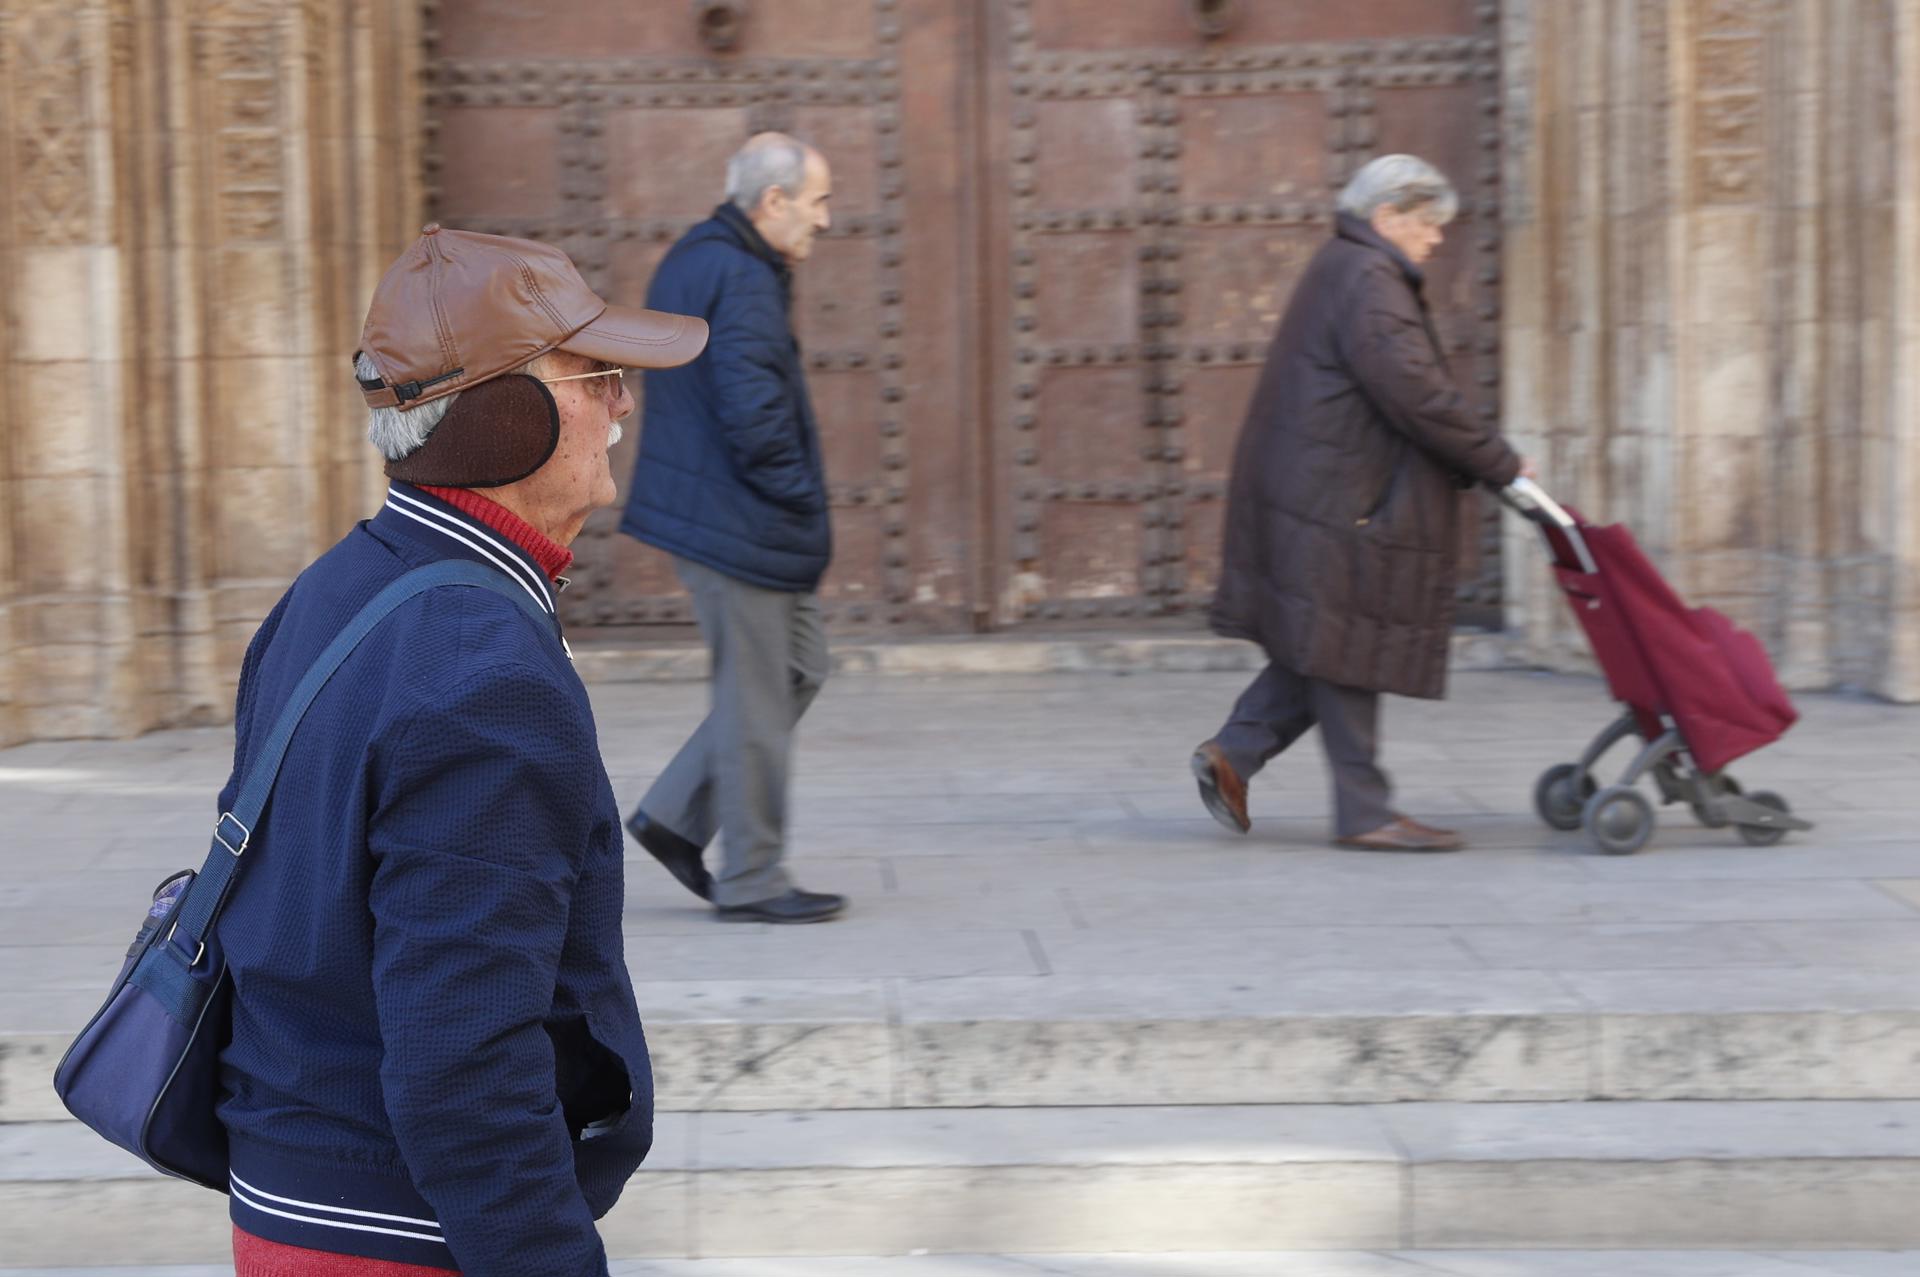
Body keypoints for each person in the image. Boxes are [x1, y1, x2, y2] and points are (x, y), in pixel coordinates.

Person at [216, 224, 708, 1275]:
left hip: (295, 1196)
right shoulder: (485, 672)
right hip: (401, 1231)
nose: (621, 404)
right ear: (502, 417)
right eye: (597, 377)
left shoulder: (338, 588)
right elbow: (464, 1056)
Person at [1196, 154, 1533, 853]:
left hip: (1322, 486)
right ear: (1387, 217)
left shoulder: (1345, 267)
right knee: (1349, 642)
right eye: (1427, 224)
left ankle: (1236, 751)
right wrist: (1501, 462)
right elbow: (1416, 392)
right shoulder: (1370, 279)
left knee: (1326, 637)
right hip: (1339, 495)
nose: (1436, 239)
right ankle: (1364, 812)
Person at [618, 132, 845, 924]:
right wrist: (798, 499)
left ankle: (675, 814)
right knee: (758, 692)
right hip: (737, 517)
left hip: (717, 510)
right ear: (773, 201)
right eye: (817, 202)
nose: (824, 220)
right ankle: (752, 877)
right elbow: (755, 418)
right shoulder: (742, 274)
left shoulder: (701, 257)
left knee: (798, 667)